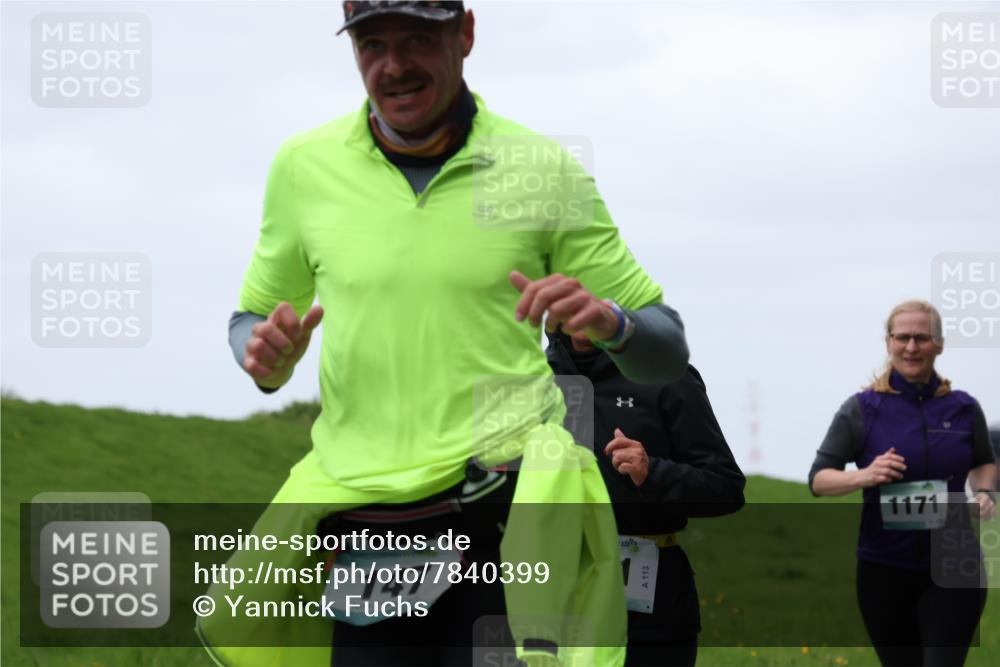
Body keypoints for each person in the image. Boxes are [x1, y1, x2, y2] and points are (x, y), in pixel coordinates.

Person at [204, 2, 692, 666]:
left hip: (504, 515)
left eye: (417, 39)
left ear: (464, 33)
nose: (394, 65)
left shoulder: (541, 167)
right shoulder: (303, 167)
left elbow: (664, 344)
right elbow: (251, 322)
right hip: (374, 531)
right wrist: (262, 352)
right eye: (372, 42)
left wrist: (613, 322)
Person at [809, 299, 996, 667]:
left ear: (939, 344)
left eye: (922, 338)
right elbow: (818, 479)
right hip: (884, 569)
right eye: (903, 337)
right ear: (889, 342)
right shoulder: (861, 409)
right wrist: (865, 475)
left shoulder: (964, 408)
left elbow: (984, 462)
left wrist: (986, 492)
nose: (912, 347)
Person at [546, 328, 745, 667]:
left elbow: (725, 487)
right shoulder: (529, 381)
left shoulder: (666, 376)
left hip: (648, 607)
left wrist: (652, 473)